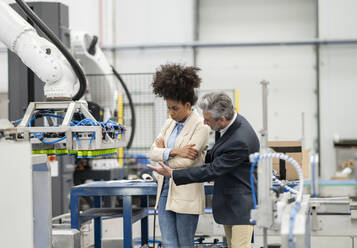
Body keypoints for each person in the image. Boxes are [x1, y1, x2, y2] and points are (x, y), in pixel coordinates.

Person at [147, 92, 260, 248]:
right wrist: (177, 152)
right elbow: (216, 155)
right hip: (230, 201)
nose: (205, 124)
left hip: (241, 205)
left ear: (221, 119)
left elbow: (211, 170)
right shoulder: (230, 124)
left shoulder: (239, 140)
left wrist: (172, 171)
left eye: (207, 120)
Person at [148, 63, 210, 248]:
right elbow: (152, 153)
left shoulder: (201, 126)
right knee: (168, 243)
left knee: (185, 243)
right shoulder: (169, 124)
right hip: (165, 190)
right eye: (169, 108)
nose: (171, 113)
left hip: (186, 190)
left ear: (188, 105)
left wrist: (163, 153)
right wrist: (174, 151)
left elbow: (188, 161)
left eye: (175, 108)